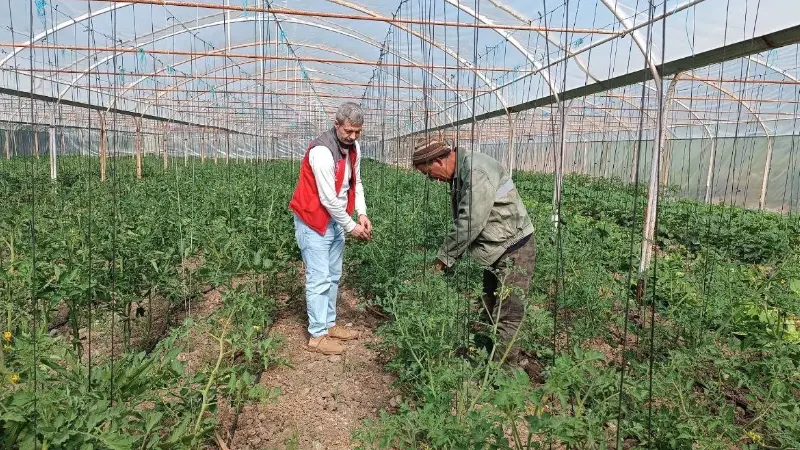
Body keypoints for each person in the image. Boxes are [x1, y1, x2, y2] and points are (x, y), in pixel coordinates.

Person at [411, 135, 535, 365]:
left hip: (514, 248)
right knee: (490, 304)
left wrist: (444, 258)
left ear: (438, 161)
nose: (432, 179)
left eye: (428, 174)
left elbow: (470, 221)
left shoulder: (476, 171)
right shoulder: (461, 172)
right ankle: (486, 358)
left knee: (508, 313)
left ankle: (504, 373)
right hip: (497, 247)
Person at [289, 102, 373, 356]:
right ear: (336, 125)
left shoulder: (354, 148)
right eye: (348, 131)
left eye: (357, 132)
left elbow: (356, 183)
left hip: (335, 221)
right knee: (319, 278)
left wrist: (362, 213)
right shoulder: (321, 152)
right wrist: (351, 227)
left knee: (333, 276)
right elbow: (327, 198)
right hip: (313, 221)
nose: (353, 136)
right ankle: (317, 335)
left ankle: (329, 324)